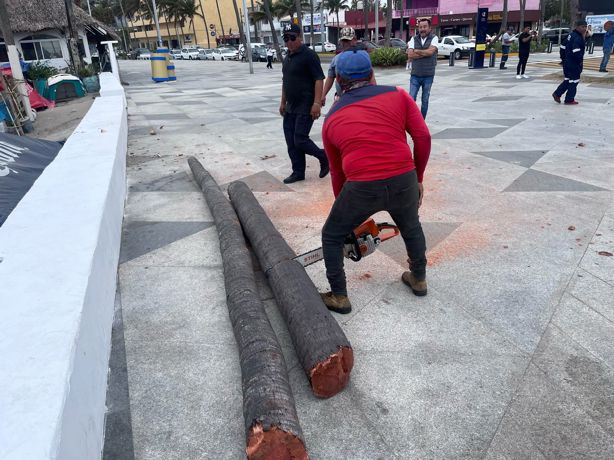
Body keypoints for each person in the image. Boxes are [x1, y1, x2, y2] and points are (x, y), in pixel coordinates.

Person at [319, 50, 431, 313]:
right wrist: (419, 178)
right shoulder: (399, 95)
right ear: (371, 75)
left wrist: (347, 215)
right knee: (411, 227)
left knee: (331, 235)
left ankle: (339, 295)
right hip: (404, 178)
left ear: (339, 81)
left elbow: (337, 173)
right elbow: (423, 137)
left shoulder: (332, 118)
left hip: (360, 187)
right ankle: (419, 278)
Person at [279, 23, 329, 184]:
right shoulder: (287, 57)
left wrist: (316, 103)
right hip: (290, 107)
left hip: (305, 105)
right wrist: (282, 102)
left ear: (300, 37)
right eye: (286, 38)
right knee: (291, 142)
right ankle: (298, 172)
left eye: (292, 38)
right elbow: (285, 81)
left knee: (300, 139)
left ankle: (323, 156)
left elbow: (319, 79)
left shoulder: (309, 55)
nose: (289, 42)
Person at [322, 27, 374, 106]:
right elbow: (330, 77)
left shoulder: (363, 56)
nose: (346, 43)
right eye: (344, 41)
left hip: (362, 97)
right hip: (342, 97)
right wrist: (323, 95)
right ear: (340, 41)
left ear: (355, 40)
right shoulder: (336, 59)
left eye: (348, 40)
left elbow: (371, 77)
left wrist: (375, 94)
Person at [407, 18, 438, 119]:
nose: (422, 29)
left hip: (428, 75)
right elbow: (410, 55)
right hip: (415, 75)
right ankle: (411, 120)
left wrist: (416, 50)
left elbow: (431, 52)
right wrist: (425, 52)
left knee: (425, 100)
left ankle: (421, 122)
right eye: (420, 27)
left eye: (425, 27)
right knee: (411, 99)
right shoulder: (413, 39)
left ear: (430, 28)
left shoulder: (434, 38)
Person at [552, 20, 588, 105]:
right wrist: (579, 61)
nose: (584, 29)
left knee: (568, 80)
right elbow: (576, 50)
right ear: (577, 27)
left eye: (585, 27)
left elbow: (562, 47)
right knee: (574, 81)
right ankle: (569, 99)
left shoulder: (570, 35)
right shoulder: (577, 37)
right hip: (574, 63)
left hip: (567, 63)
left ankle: (557, 94)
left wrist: (563, 59)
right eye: (582, 27)